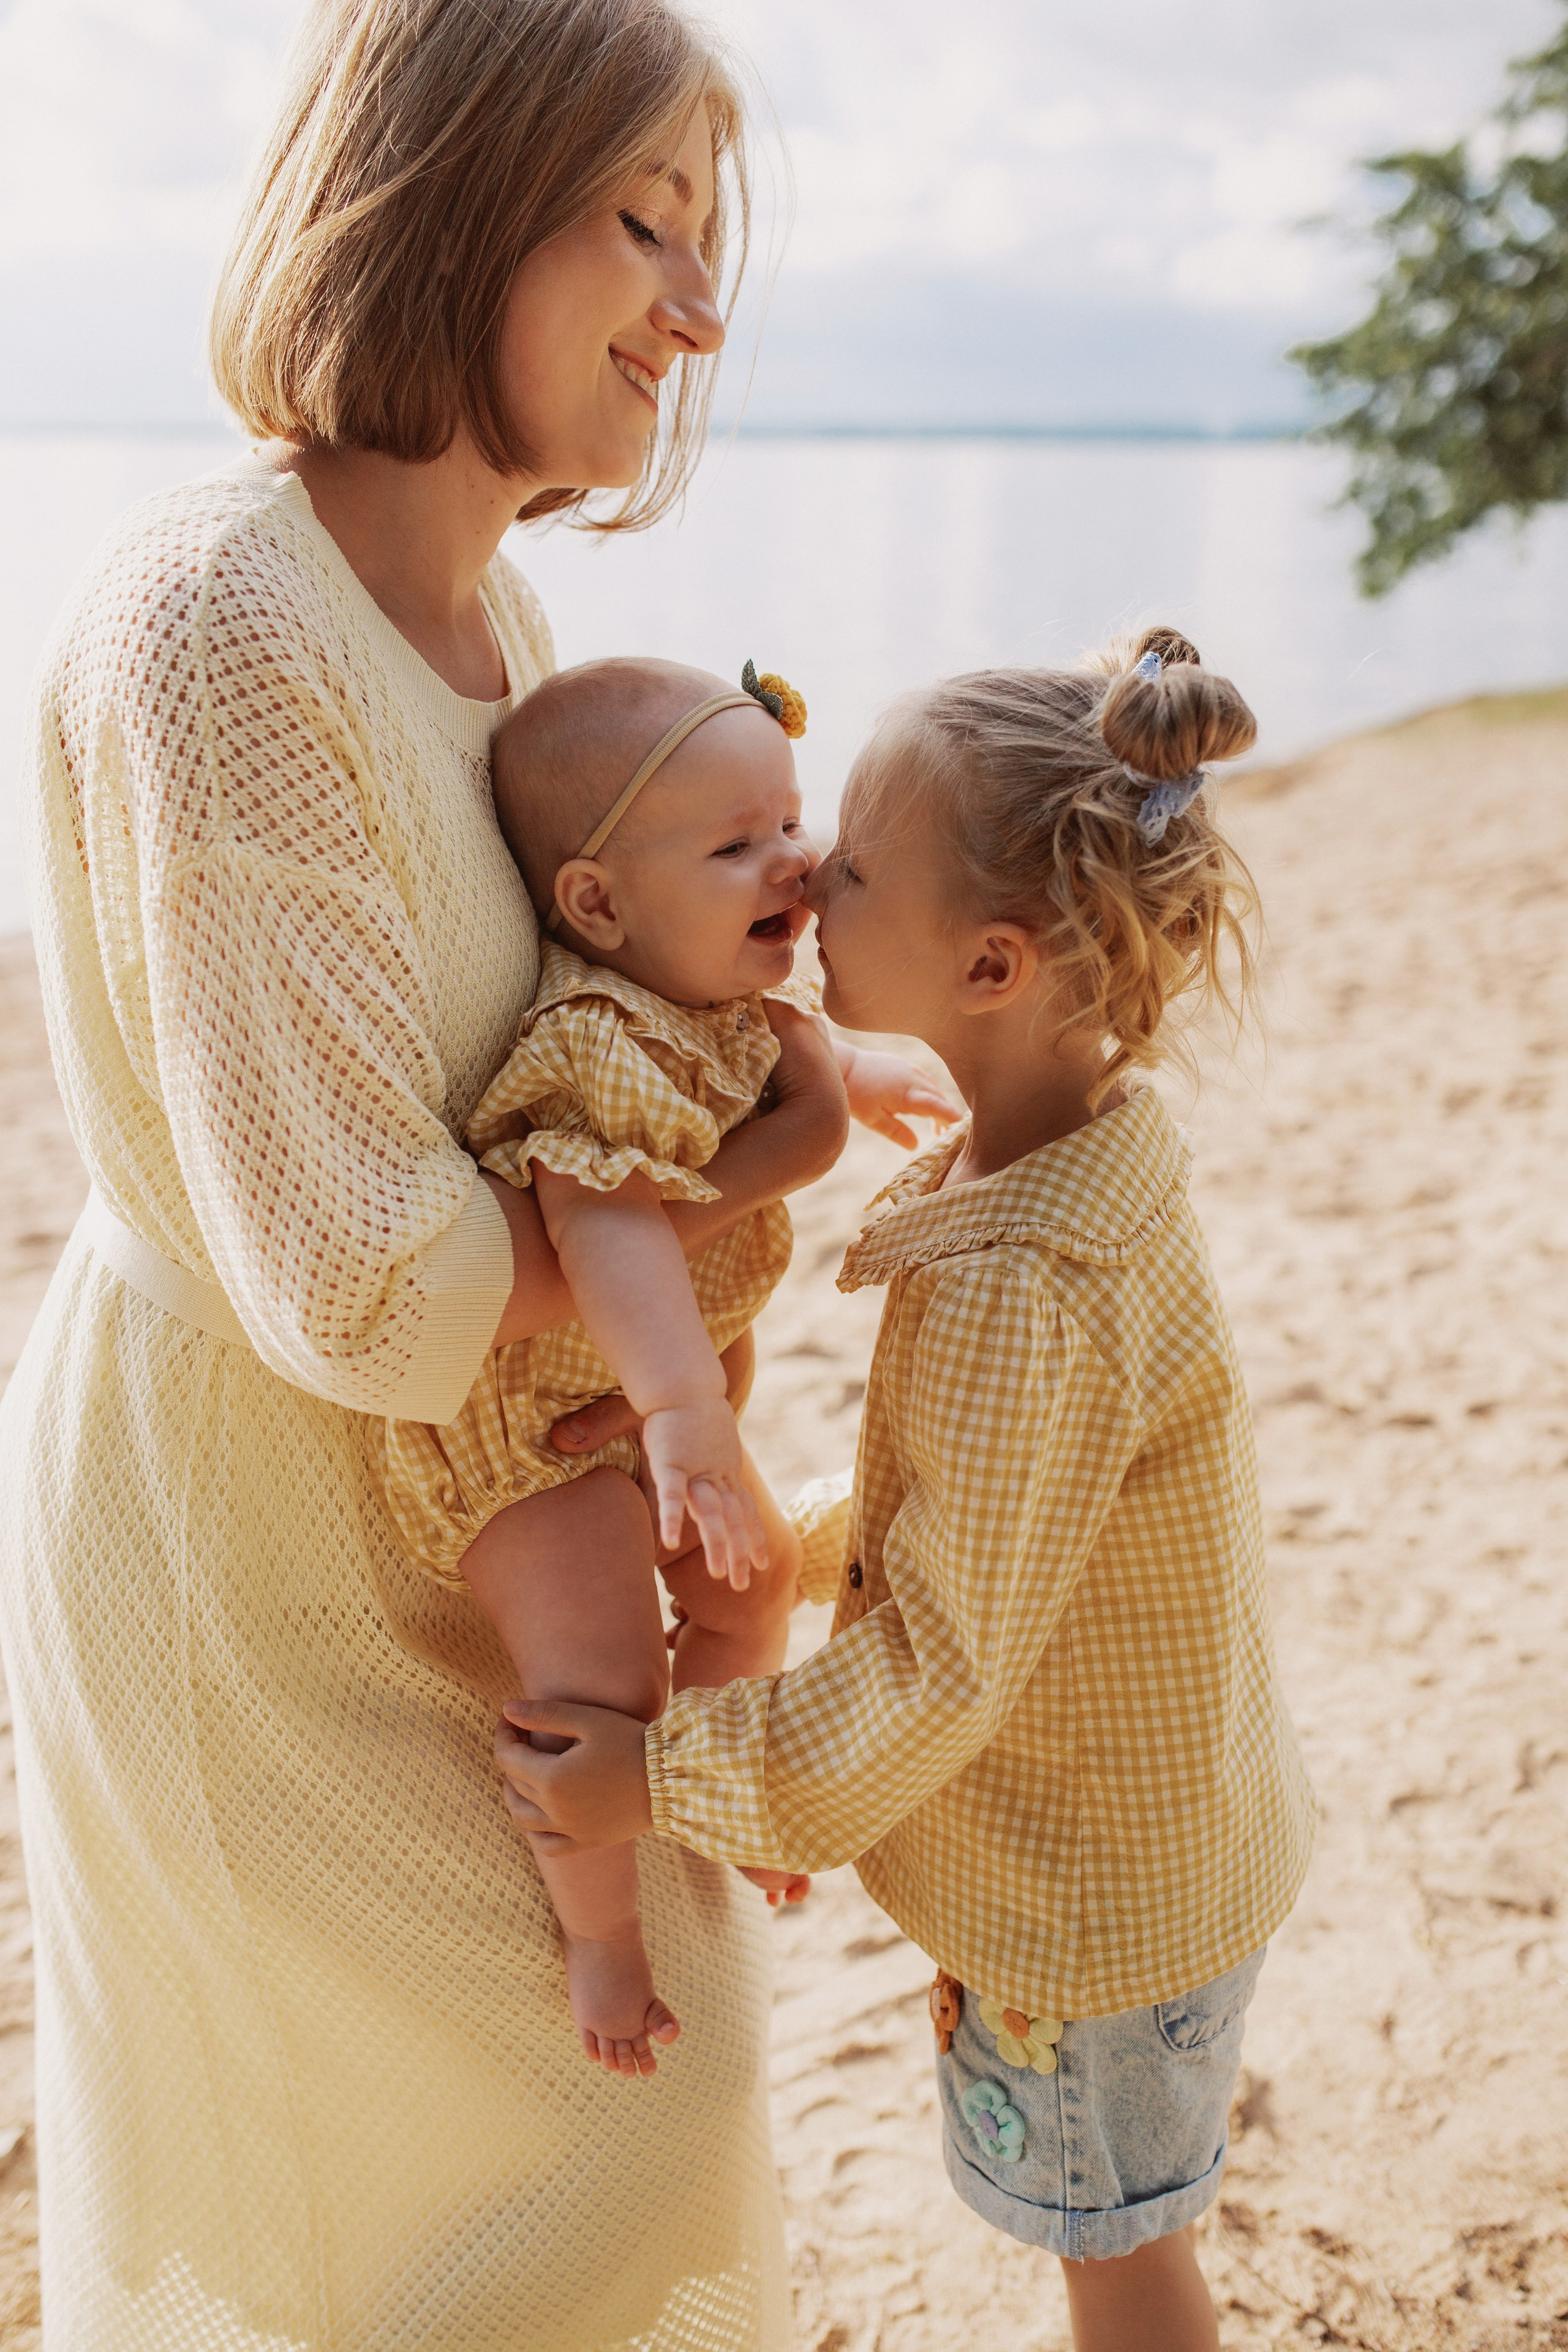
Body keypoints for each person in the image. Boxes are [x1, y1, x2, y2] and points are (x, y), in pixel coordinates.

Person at [0, 4, 929, 2343]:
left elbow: (568, 1062)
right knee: (401, 2212)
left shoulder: (489, 623)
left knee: (618, 2126)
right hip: (259, 1539)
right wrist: (766, 1163)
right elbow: (365, 1270)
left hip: (482, 1505)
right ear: (439, 189)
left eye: (709, 238)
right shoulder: (223, 621)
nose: (698, 312)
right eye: (643, 221)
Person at [496, 629, 1318, 2352]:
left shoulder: (1036, 1281)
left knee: (1122, 2250)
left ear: (994, 965)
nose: (806, 873)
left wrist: (663, 1776)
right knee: (1118, 2213)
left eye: (853, 864)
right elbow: (988, 1520)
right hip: (1133, 1839)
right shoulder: (1064, 1156)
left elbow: (946, 1655)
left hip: (1091, 1894)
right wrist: (764, 1548)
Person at [374, 652, 954, 2078]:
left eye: (792, 822)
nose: (796, 864)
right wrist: (685, 1411)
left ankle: (697, 1788)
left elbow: (792, 1065)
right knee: (601, 1673)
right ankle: (604, 1942)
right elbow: (603, 1229)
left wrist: (867, 1078)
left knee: (749, 1587)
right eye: (737, 844)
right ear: (597, 904)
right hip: (536, 1435)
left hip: (642, 1417)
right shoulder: (593, 1040)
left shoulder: (719, 1001)